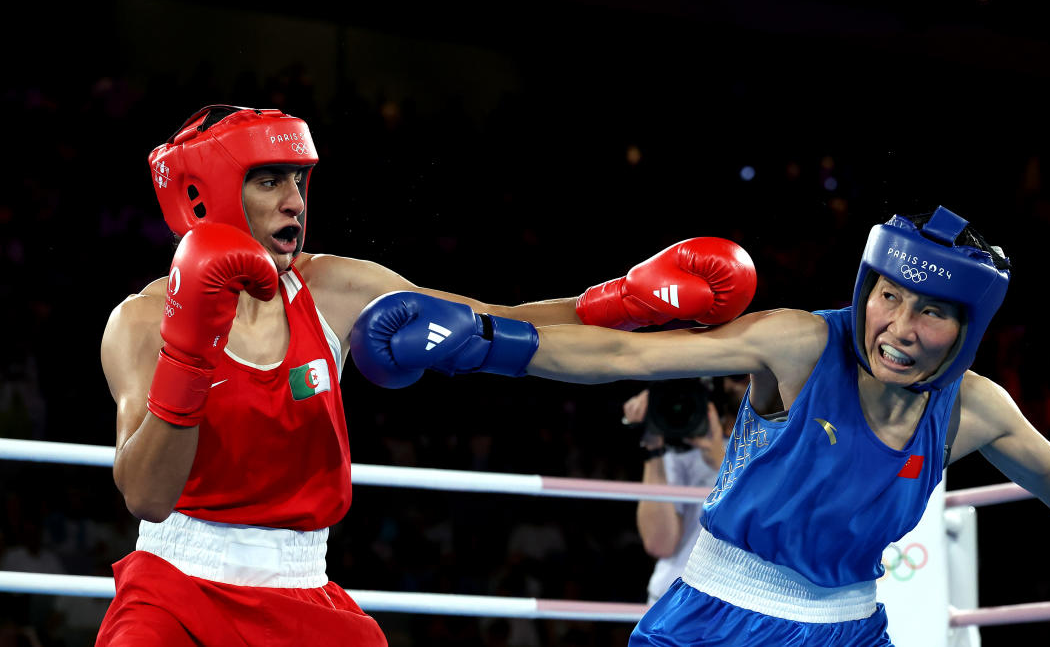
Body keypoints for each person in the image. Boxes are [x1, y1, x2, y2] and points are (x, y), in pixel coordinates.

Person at [349, 205, 1050, 646]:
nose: (897, 324)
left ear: (969, 329)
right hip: (715, 616)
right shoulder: (801, 344)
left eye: (930, 310)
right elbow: (626, 361)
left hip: (852, 630)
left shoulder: (973, 409)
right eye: (889, 294)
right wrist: (490, 341)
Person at [95, 104, 758, 645]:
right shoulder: (142, 322)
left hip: (300, 590)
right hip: (176, 587)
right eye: (269, 180)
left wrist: (628, 302)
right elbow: (147, 494)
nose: (294, 200)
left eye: (300, 179)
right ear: (203, 193)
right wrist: (192, 346)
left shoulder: (332, 288)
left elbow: (492, 318)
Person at [622, 375, 749, 604]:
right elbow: (659, 542)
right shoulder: (685, 442)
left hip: (741, 605)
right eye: (737, 375)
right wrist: (653, 448)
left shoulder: (783, 444)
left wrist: (722, 462)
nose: (748, 380)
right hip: (676, 597)